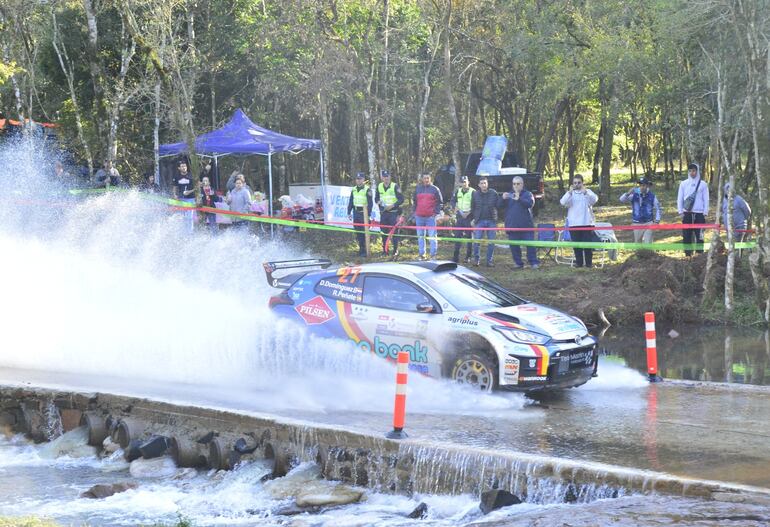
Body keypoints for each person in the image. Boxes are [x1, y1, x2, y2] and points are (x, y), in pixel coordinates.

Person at [500, 176, 538, 269]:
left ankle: (533, 263)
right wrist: (502, 198)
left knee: (530, 246)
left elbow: (530, 204)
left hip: (526, 226)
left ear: (522, 184)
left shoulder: (528, 194)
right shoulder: (509, 195)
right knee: (514, 247)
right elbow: (499, 206)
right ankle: (518, 263)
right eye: (514, 184)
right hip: (512, 226)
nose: (516, 186)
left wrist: (519, 199)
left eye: (518, 184)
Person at [560, 174, 598, 268]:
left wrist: (585, 192)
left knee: (588, 245)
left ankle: (589, 264)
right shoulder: (570, 194)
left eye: (579, 183)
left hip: (587, 223)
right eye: (575, 183)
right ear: (572, 184)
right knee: (576, 245)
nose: (577, 185)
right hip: (574, 224)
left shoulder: (588, 192)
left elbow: (594, 200)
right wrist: (569, 193)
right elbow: (562, 202)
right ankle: (579, 263)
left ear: (582, 183)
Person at [676, 162, 709, 256]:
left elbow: (706, 199)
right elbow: (680, 198)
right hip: (687, 214)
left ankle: (699, 255)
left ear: (697, 171)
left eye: (694, 171)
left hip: (699, 214)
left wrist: (705, 212)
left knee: (700, 236)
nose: (692, 173)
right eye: (690, 171)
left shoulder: (703, 184)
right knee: (686, 236)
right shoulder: (683, 184)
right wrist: (680, 211)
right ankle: (688, 255)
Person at [619, 177, 662, 244]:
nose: (642, 187)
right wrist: (628, 193)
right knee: (638, 244)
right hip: (637, 223)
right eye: (640, 185)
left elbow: (658, 208)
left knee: (648, 244)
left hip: (649, 223)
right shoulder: (634, 195)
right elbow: (621, 200)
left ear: (647, 186)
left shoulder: (652, 196)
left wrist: (657, 221)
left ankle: (648, 251)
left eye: (644, 185)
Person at [413, 173, 443, 260]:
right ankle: (422, 255)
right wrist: (414, 213)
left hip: (430, 217)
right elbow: (415, 202)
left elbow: (440, 202)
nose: (426, 180)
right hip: (419, 217)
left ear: (430, 179)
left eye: (428, 178)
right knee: (420, 237)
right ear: (422, 179)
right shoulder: (418, 189)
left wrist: (435, 213)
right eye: (425, 178)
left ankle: (433, 255)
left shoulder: (435, 189)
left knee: (432, 237)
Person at [375, 169, 404, 256]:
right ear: (382, 178)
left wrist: (393, 205)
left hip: (394, 212)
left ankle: (395, 250)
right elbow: (376, 198)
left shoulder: (395, 186)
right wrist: (378, 202)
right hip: (384, 213)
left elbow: (401, 199)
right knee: (383, 232)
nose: (386, 178)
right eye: (384, 177)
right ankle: (385, 251)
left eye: (387, 176)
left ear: (390, 177)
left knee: (394, 232)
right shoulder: (379, 186)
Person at [471, 176, 499, 267]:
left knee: (491, 242)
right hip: (479, 221)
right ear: (479, 185)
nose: (483, 185)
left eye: (485, 183)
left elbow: (499, 205)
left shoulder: (493, 193)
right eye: (482, 183)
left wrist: (497, 218)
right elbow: (473, 207)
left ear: (487, 184)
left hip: (491, 221)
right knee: (477, 241)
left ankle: (489, 261)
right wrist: (473, 219)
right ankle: (476, 260)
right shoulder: (475, 194)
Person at [449, 175, 475, 263]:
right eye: (462, 182)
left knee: (469, 238)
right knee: (457, 237)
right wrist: (454, 207)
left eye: (465, 182)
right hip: (460, 217)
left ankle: (468, 256)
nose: (463, 184)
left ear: (468, 182)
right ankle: (455, 257)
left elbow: (476, 205)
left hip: (469, 217)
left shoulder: (473, 192)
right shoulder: (458, 191)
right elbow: (452, 201)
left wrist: (470, 212)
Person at [347, 172, 373, 257]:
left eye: (360, 179)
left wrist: (368, 215)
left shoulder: (367, 189)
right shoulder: (354, 189)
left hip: (364, 213)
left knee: (364, 232)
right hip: (356, 212)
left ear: (363, 179)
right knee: (358, 232)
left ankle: (366, 250)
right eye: (357, 179)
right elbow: (351, 201)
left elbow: (370, 203)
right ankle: (361, 249)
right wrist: (349, 212)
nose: (358, 180)